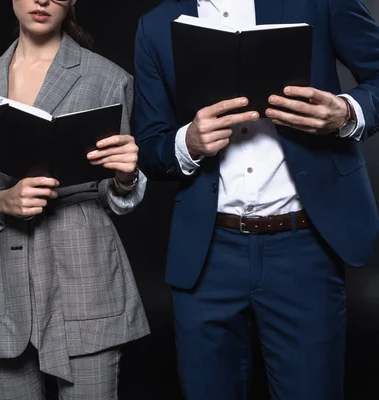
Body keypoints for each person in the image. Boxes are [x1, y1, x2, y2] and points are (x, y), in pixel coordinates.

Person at [133, 0, 379, 399]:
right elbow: (150, 145)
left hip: (305, 248)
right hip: (206, 255)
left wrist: (347, 112)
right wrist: (188, 143)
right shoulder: (157, 26)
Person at [0, 0, 149, 398]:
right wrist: (1, 201)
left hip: (85, 280)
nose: (42, 0)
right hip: (0, 288)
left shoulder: (108, 78)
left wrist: (127, 175)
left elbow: (115, 194)